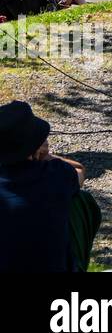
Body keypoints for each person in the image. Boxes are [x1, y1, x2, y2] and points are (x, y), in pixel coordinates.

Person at [0, 101, 101, 272]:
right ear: (34, 148)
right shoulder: (55, 175)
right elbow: (79, 170)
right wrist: (47, 155)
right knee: (81, 200)